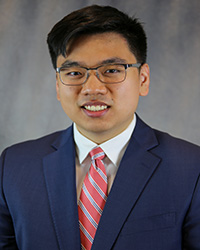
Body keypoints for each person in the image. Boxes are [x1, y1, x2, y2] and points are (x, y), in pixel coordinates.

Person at [0, 5, 200, 250]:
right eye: (74, 72)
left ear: (143, 80)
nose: (92, 88)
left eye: (113, 70)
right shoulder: (14, 166)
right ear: (57, 85)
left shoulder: (191, 169)